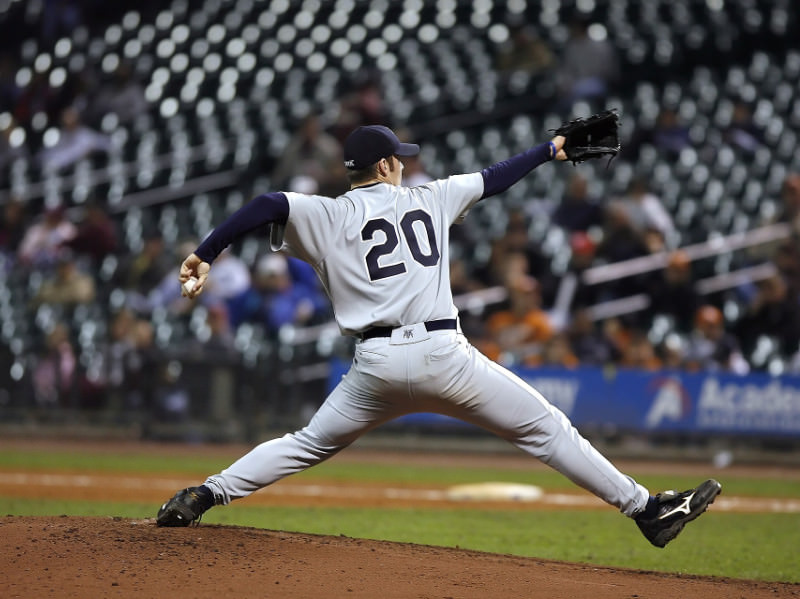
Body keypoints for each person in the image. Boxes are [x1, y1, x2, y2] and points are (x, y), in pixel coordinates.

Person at [156, 124, 721, 548]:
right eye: (397, 159)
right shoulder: (431, 197)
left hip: (373, 367)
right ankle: (647, 510)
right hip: (442, 356)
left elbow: (266, 205)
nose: (404, 166)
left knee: (306, 444)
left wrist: (205, 253)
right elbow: (497, 177)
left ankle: (204, 494)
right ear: (382, 166)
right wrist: (551, 149)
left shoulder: (325, 214)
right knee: (547, 430)